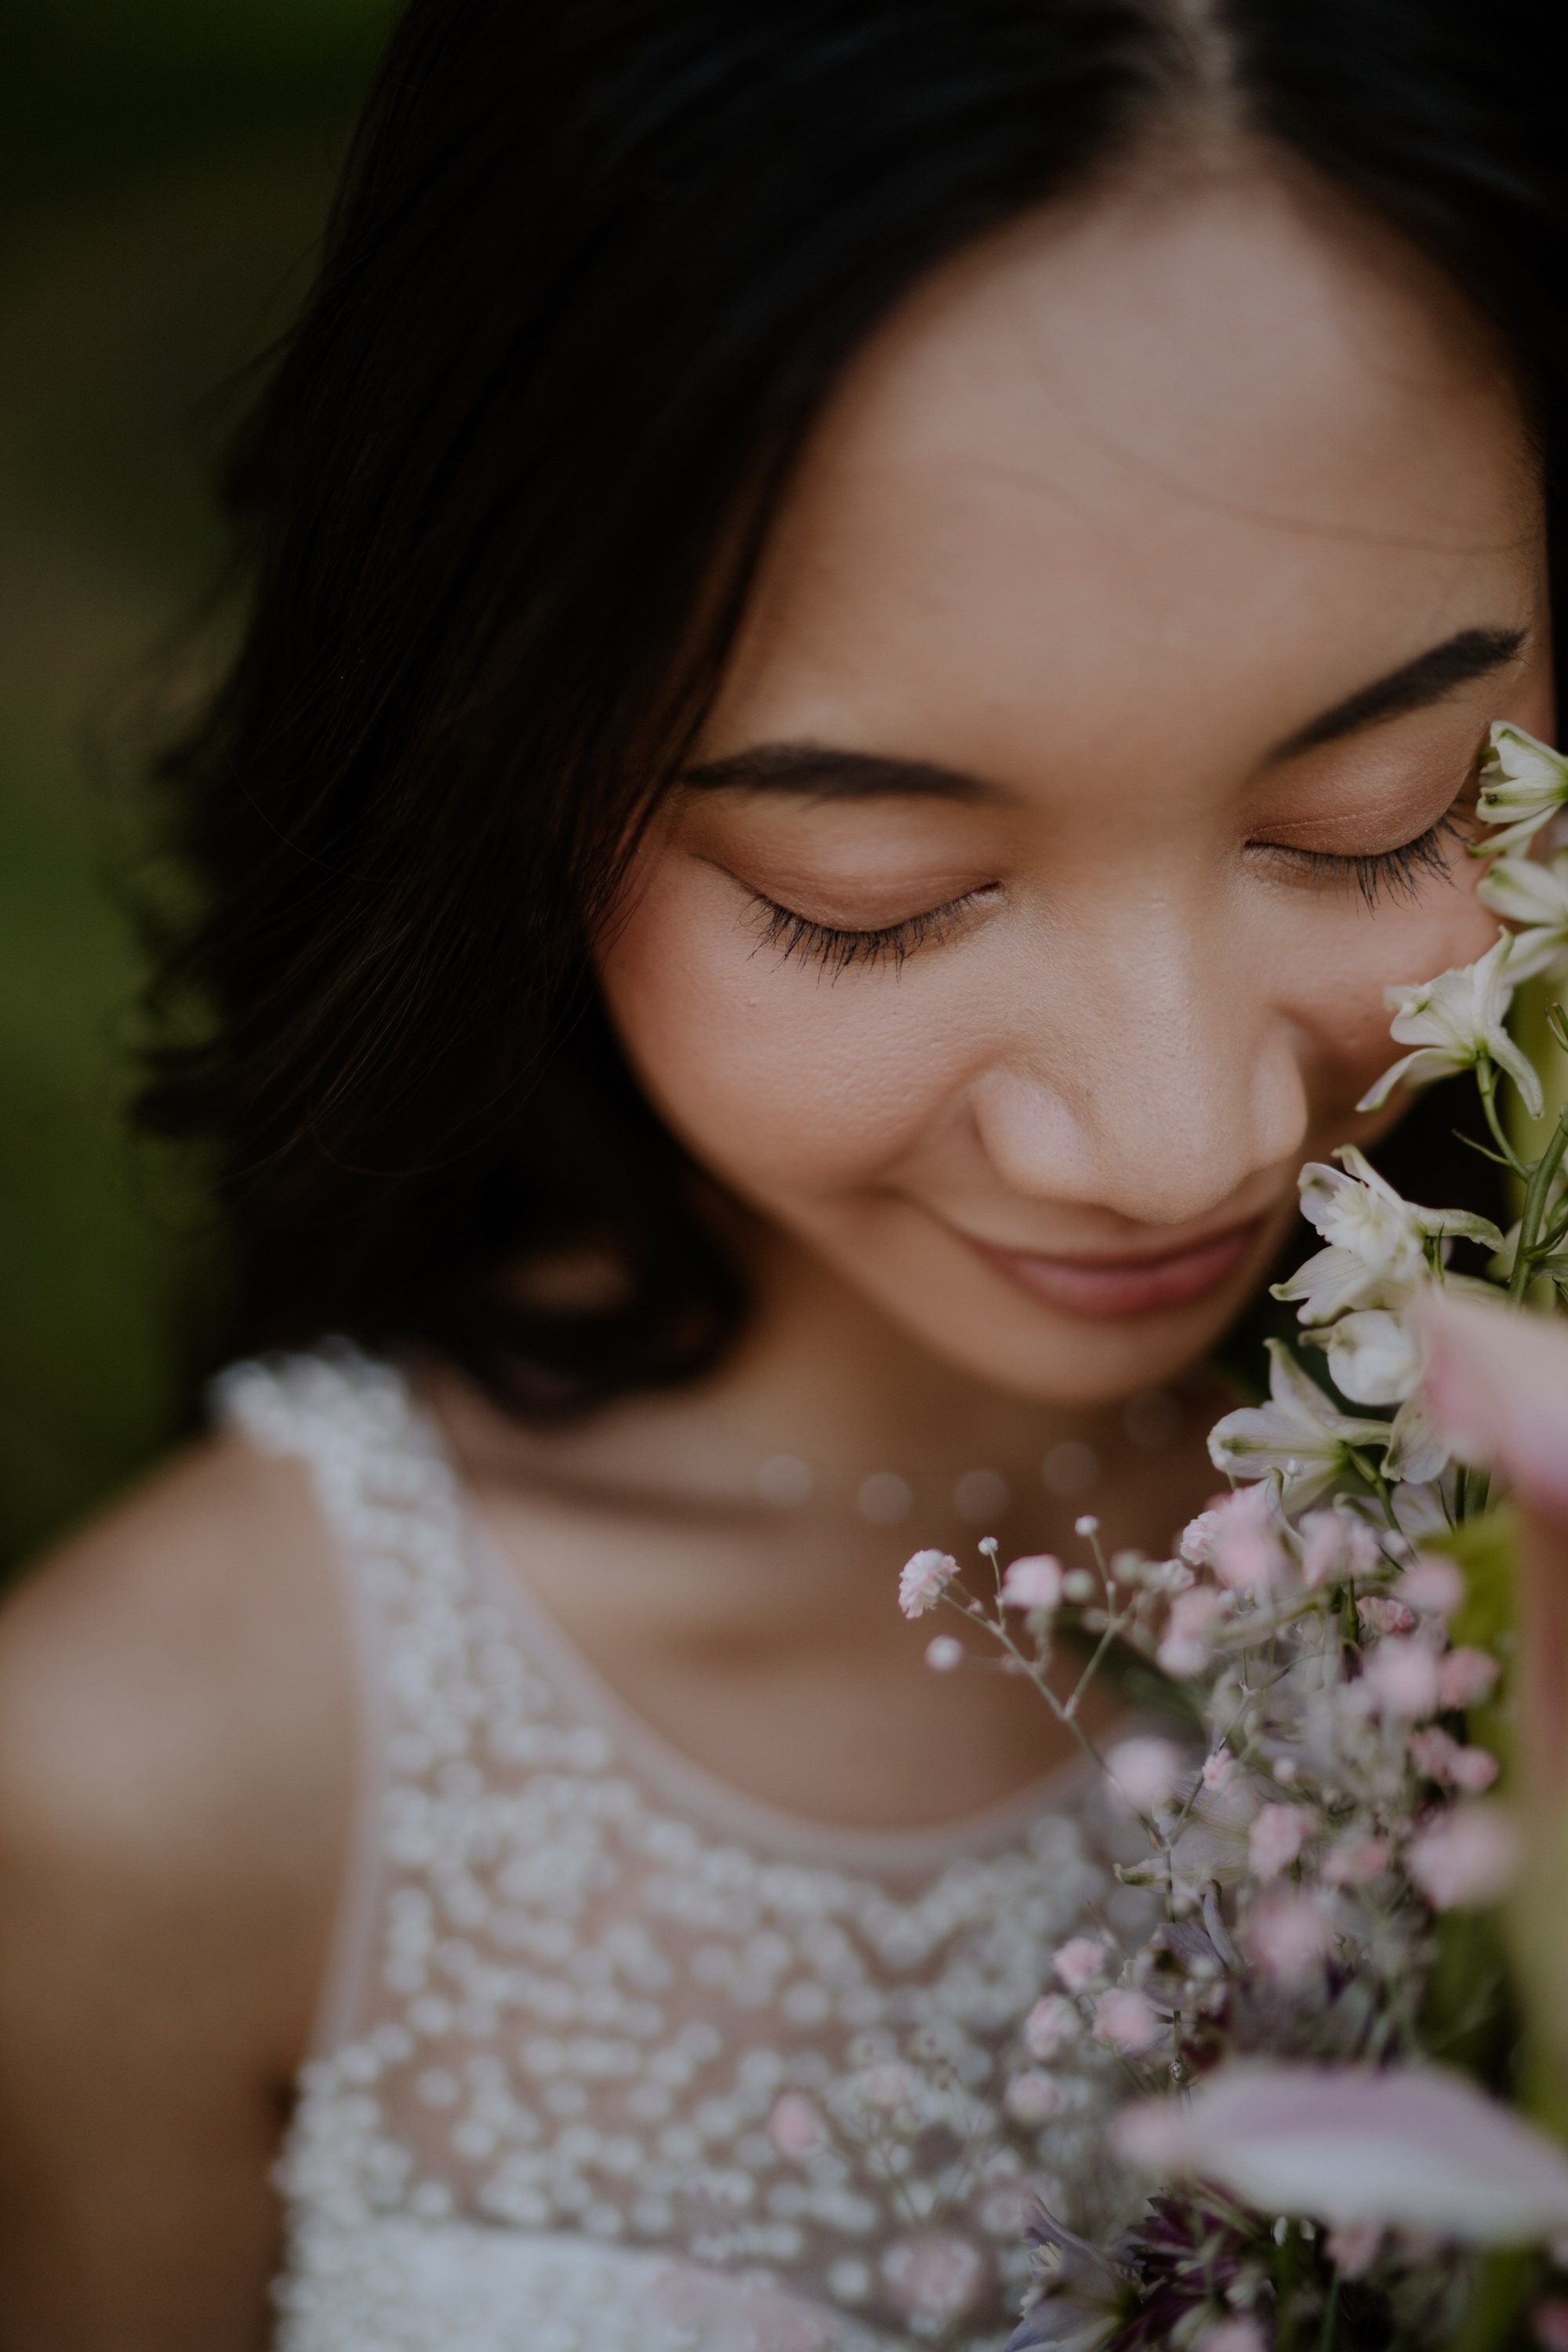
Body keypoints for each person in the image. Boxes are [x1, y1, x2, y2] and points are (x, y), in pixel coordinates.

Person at [0, 0, 1563, 2343]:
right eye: (872, 892)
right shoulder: (150, 1784)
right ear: (497, 769)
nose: (1186, 1136)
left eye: (1380, 819)